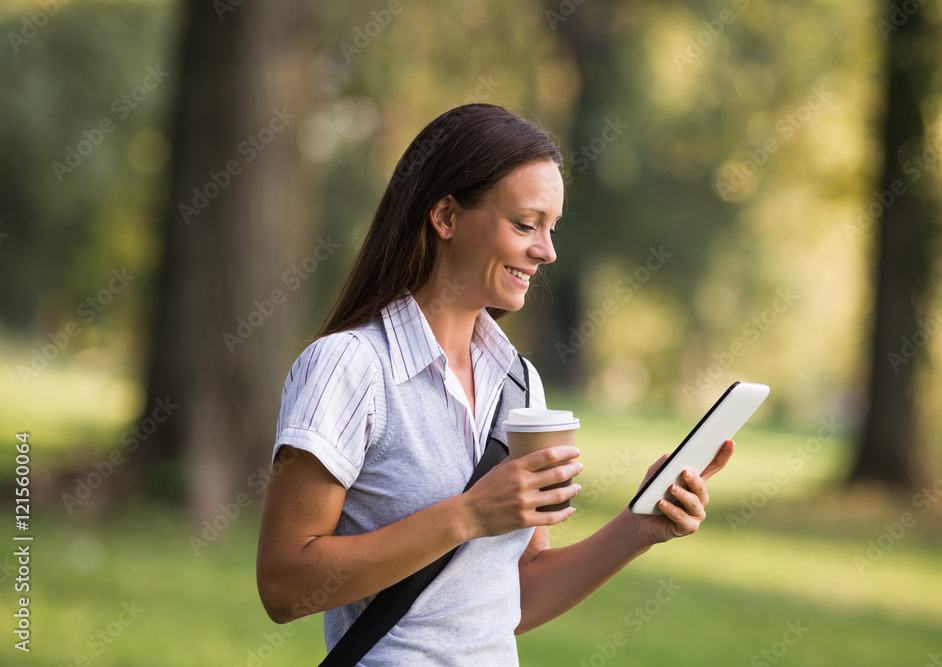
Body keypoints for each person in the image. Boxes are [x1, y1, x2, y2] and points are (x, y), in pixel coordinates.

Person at [255, 104, 733, 665]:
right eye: (526, 224)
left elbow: (514, 592)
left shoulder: (518, 383)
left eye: (551, 228)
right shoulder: (348, 366)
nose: (547, 250)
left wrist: (639, 527)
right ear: (446, 216)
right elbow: (284, 586)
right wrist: (470, 514)